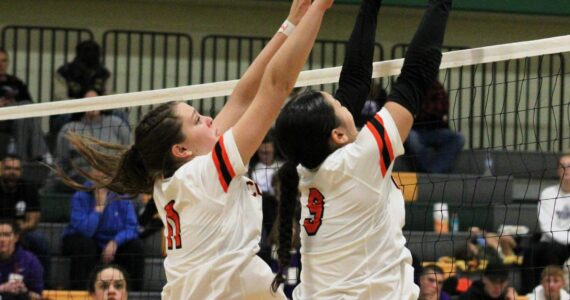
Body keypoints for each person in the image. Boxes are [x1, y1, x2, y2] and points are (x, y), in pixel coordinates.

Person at [55, 0, 332, 298]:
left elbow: (241, 98)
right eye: (198, 120)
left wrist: (291, 23)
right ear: (181, 149)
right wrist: (317, 10)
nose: (210, 119)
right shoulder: (206, 173)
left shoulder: (176, 178)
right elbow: (276, 85)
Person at [272, 0, 451, 298]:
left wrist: (369, 5)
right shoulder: (357, 162)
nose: (343, 102)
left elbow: (354, 82)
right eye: (337, 104)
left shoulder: (307, 165)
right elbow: (416, 76)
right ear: (338, 134)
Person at [61, 169, 144, 291]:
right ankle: (80, 293)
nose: (102, 174)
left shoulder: (121, 196)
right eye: (98, 170)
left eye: (105, 170)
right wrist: (99, 207)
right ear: (91, 173)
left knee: (136, 247)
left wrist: (115, 242)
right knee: (85, 245)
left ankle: (133, 294)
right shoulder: (80, 196)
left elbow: (132, 227)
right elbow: (86, 231)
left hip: (111, 242)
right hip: (83, 240)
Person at [54, 90, 130, 192]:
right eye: (88, 101)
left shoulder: (116, 124)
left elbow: (129, 153)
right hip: (80, 181)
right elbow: (61, 163)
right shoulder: (69, 129)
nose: (92, 105)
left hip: (113, 179)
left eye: (95, 101)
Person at [0, 155, 51, 284]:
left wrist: (15, 230)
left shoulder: (28, 187)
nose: (12, 172)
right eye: (8, 168)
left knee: (40, 241)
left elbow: (33, 222)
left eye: (16, 169)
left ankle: (45, 285)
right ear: (1, 169)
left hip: (21, 232)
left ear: (21, 171)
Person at [406, 80, 464, 173]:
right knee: (411, 138)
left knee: (458, 138)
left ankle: (434, 170)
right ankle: (428, 170)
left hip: (436, 129)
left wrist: (422, 113)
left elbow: (442, 108)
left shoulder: (436, 87)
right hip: (416, 130)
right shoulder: (409, 86)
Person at [531, 153, 570, 286]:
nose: (567, 170)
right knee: (540, 252)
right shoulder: (548, 193)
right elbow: (547, 227)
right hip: (551, 243)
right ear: (558, 170)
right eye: (563, 166)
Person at [0, 86, 50, 163]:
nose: (9, 101)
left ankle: (22, 160)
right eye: (6, 98)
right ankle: (42, 154)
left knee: (25, 112)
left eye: (11, 98)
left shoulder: (15, 82)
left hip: (15, 120)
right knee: (26, 109)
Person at [0, 219, 43, 300]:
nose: (2, 240)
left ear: (16, 237)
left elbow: (38, 296)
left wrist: (25, 292)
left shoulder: (30, 261)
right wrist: (2, 288)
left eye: (6, 235)